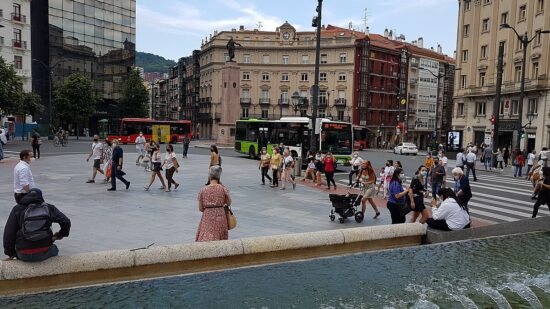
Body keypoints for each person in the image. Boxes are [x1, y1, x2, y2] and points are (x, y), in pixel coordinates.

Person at [3, 188, 71, 262]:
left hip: (23, 254)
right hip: (44, 252)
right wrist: (61, 234)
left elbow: (9, 233)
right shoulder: (49, 207)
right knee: (54, 249)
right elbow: (66, 221)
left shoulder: (17, 209)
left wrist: (10, 253)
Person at [196, 166, 232, 242]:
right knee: (220, 238)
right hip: (220, 216)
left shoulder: (203, 190)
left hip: (207, 217)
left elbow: (200, 209)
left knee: (206, 238)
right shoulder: (223, 188)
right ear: (219, 176)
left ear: (209, 176)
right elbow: (229, 202)